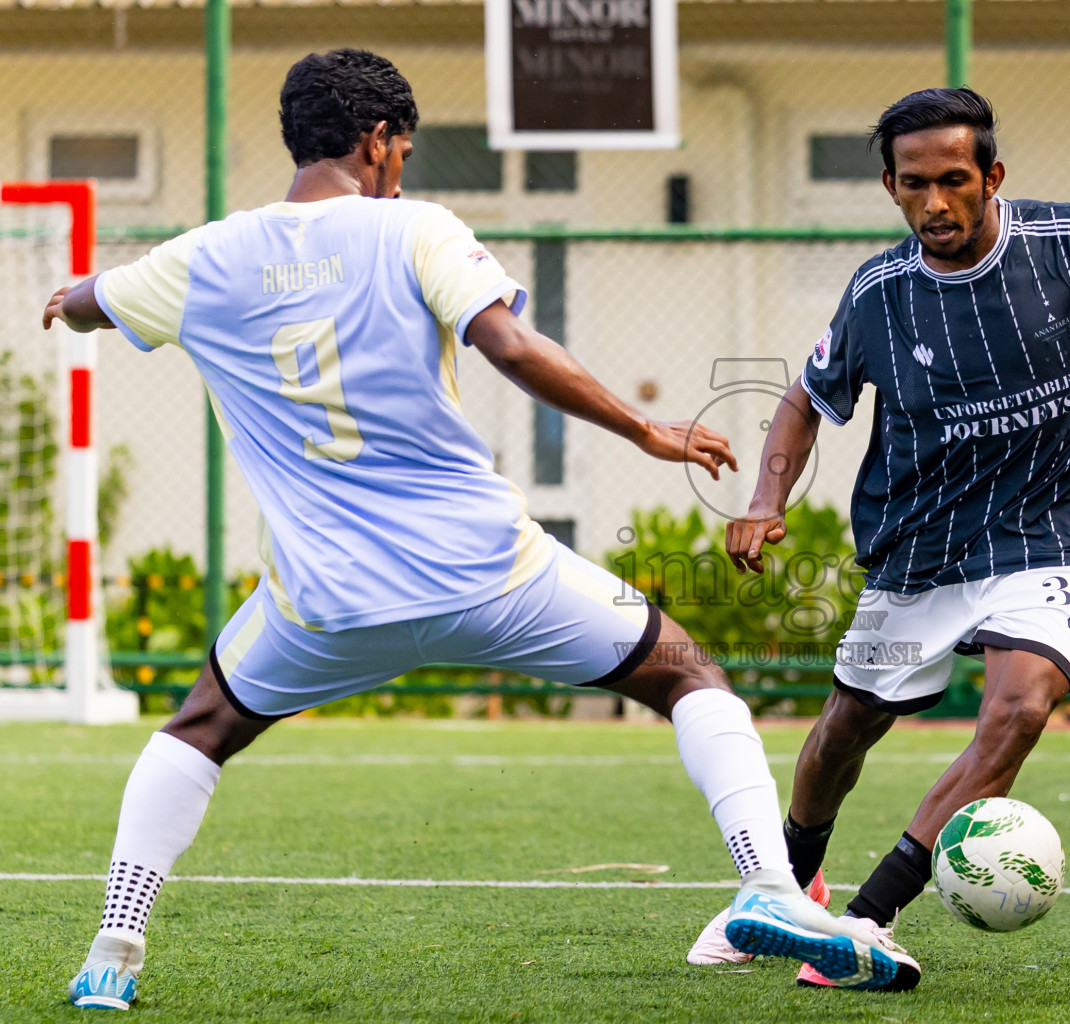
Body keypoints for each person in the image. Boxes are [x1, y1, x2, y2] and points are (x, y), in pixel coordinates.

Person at [48, 49, 898, 1010]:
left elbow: (84, 308)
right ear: (375, 142)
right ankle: (770, 886)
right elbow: (511, 344)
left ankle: (114, 953)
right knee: (686, 673)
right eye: (401, 149)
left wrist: (78, 295)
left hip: (325, 605)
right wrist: (642, 427)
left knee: (200, 727)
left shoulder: (198, 258)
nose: (401, 169)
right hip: (491, 574)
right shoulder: (414, 228)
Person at [685, 87, 1070, 990]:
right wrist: (765, 499)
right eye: (914, 184)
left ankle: (865, 922)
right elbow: (807, 398)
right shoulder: (879, 293)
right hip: (918, 546)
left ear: (992, 175)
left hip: (1048, 534)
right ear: (890, 186)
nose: (935, 202)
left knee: (1019, 711)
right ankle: (778, 886)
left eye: (954, 180)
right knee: (846, 729)